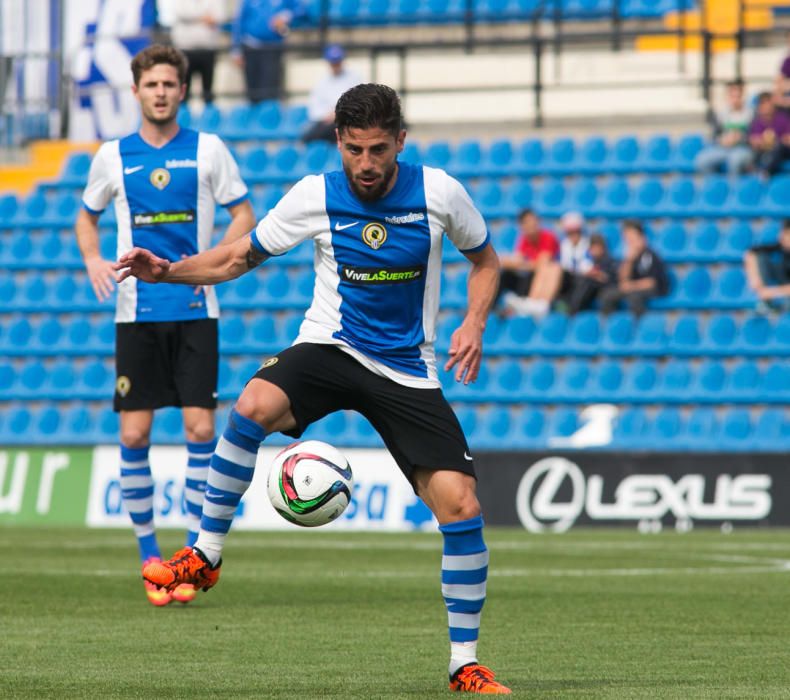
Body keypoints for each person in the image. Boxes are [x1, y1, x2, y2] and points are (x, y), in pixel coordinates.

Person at [116, 83, 511, 695]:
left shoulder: (439, 193)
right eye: (354, 150)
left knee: (462, 508)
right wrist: (169, 271)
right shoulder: (314, 195)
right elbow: (236, 259)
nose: (367, 164)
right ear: (339, 143)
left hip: (406, 365)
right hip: (332, 345)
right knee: (250, 406)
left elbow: (486, 261)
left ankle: (465, 664)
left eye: (379, 149)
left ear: (400, 142)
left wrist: (473, 320)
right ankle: (206, 552)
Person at [75, 45, 256, 607]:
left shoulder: (208, 150)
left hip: (196, 310)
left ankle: (190, 559)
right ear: (136, 92)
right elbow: (87, 215)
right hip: (136, 314)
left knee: (201, 431)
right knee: (134, 435)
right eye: (151, 83)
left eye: (169, 84)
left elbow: (244, 215)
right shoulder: (112, 156)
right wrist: (92, 259)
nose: (160, 91)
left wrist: (213, 262)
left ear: (182, 90)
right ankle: (150, 557)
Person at [232, 0, 307, 103]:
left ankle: (268, 116)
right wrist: (236, 50)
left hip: (272, 48)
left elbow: (301, 10)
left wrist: (285, 16)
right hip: (250, 48)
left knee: (270, 92)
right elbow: (239, 21)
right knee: (252, 92)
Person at [496, 208, 559, 318]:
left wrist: (521, 264)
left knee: (530, 274)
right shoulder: (524, 239)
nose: (532, 225)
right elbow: (517, 261)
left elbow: (542, 264)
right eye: (527, 222)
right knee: (505, 275)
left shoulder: (548, 237)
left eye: (533, 221)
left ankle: (526, 304)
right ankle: (492, 308)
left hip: (547, 278)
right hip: (531, 275)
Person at [598, 220, 668, 316]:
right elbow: (622, 281)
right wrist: (629, 261)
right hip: (633, 287)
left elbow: (652, 283)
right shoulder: (630, 256)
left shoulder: (651, 256)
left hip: (652, 289)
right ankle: (608, 325)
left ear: (641, 237)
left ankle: (640, 325)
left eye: (632, 236)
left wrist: (631, 286)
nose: (629, 240)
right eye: (626, 237)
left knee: (634, 296)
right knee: (607, 295)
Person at [301, 44, 362, 144]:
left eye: (337, 62)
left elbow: (358, 103)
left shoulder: (354, 78)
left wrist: (337, 114)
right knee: (309, 135)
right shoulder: (321, 82)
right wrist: (327, 116)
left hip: (346, 121)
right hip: (326, 123)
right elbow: (314, 109)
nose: (335, 65)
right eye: (333, 62)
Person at [169, 0, 226, 105]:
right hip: (185, 50)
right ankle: (183, 117)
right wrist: (204, 16)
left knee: (208, 90)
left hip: (208, 50)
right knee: (184, 89)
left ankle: (208, 116)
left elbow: (220, 16)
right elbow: (182, 13)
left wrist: (196, 17)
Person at [696, 79, 753, 175]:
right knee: (702, 161)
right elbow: (714, 135)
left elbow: (754, 136)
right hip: (723, 148)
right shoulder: (721, 114)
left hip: (743, 148)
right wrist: (721, 140)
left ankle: (735, 187)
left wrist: (740, 139)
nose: (735, 99)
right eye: (732, 96)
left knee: (735, 161)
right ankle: (717, 185)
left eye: (738, 96)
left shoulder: (751, 114)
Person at [561, 233, 619, 314]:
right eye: (592, 248)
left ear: (603, 248)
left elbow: (609, 278)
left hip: (604, 287)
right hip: (590, 288)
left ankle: (572, 311)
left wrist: (597, 275)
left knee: (587, 282)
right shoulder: (590, 262)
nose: (594, 250)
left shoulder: (609, 262)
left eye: (597, 247)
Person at [744, 219, 790, 312]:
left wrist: (773, 292)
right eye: (785, 234)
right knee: (761, 257)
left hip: (782, 293)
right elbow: (751, 253)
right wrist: (756, 282)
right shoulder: (778, 249)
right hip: (779, 291)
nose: (785, 237)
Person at [749, 92, 790, 177]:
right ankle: (753, 173)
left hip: (781, 151)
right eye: (763, 103)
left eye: (768, 103)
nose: (766, 106)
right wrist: (762, 142)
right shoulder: (757, 122)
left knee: (778, 147)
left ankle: (765, 174)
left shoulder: (782, 119)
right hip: (764, 151)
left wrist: (777, 140)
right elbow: (753, 140)